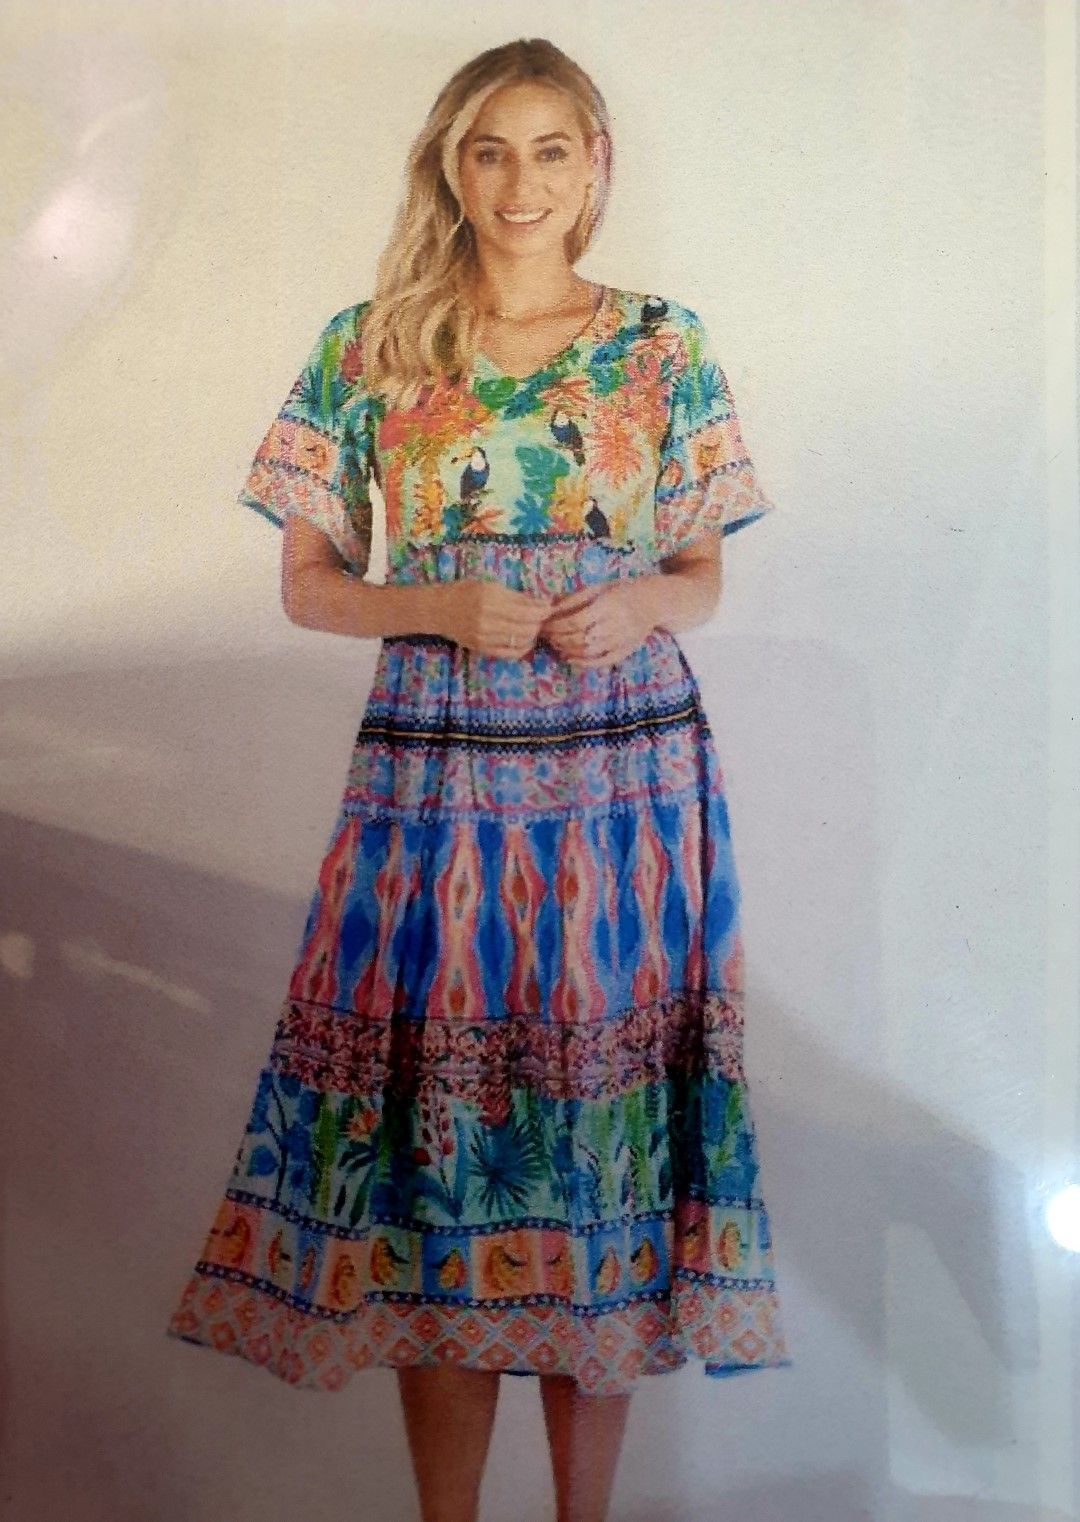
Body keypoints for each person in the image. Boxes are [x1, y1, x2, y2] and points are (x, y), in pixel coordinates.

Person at [167, 37, 792, 1522]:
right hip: (435, 784)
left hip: (624, 784)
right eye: (491, 151)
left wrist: (643, 601)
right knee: (433, 1154)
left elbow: (700, 573)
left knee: (601, 1145)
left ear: (599, 165)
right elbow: (309, 587)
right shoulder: (372, 342)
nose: (522, 183)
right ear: (452, 165)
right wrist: (432, 605)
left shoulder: (660, 343)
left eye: (551, 149)